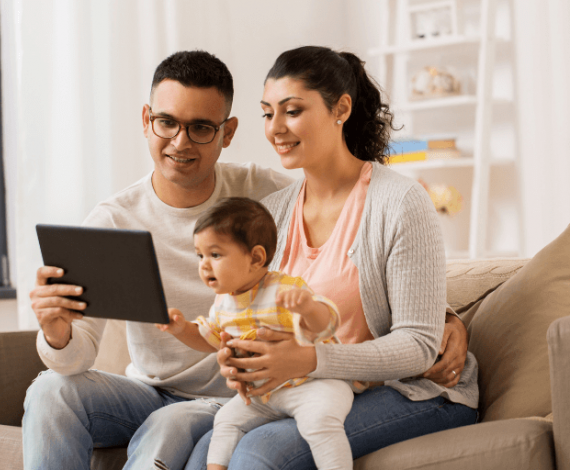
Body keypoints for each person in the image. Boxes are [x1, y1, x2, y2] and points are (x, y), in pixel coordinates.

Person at [186, 46, 479, 469]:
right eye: (268, 113)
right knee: (204, 452)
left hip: (417, 391)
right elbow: (257, 310)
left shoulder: (400, 201)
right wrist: (244, 361)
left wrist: (310, 359)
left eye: (292, 111)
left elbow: (418, 344)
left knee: (261, 452)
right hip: (309, 387)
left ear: (341, 108)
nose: (275, 128)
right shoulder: (274, 211)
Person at [23, 50, 294, 470]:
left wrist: (438, 316)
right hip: (146, 392)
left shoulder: (268, 194)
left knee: (168, 424)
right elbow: (75, 360)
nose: (180, 142)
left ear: (228, 132)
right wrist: (57, 333)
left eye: (201, 127)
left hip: (233, 398)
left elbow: (354, 231)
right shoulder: (114, 220)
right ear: (147, 119)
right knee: (49, 391)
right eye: (166, 122)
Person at [158, 197, 361, 470]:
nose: (204, 265)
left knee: (320, 422)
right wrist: (181, 329)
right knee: (226, 421)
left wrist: (309, 307)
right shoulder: (223, 302)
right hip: (264, 395)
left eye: (215, 255)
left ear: (256, 258)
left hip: (314, 384)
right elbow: (209, 339)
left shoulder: (284, 290)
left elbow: (326, 325)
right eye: (200, 255)